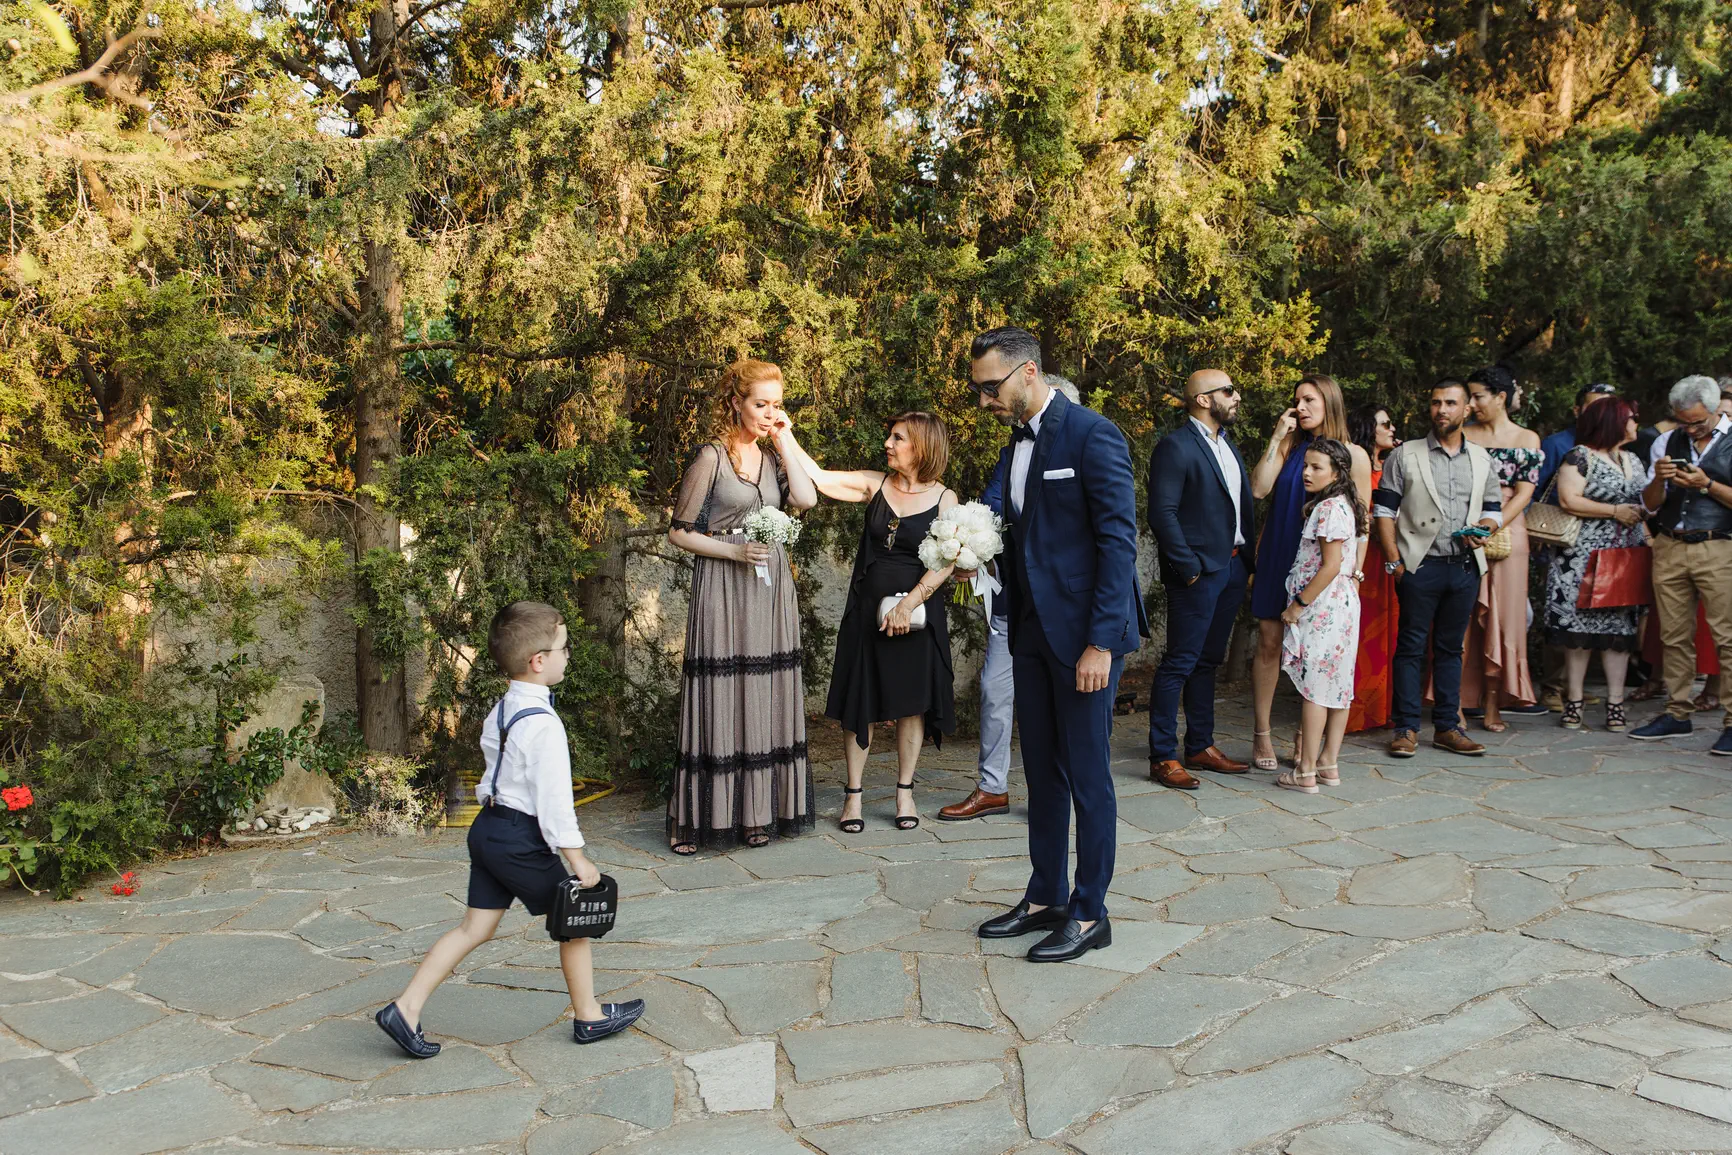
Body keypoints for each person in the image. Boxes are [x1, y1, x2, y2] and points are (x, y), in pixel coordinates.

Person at [376, 603, 645, 1057]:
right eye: (563, 648)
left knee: (474, 928)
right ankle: (590, 1017)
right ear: (538, 661)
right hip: (519, 839)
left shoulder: (503, 709)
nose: (568, 655)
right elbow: (554, 801)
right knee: (574, 921)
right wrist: (577, 858)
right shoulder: (543, 725)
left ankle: (405, 1009)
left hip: (489, 829)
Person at [967, 326, 1146, 963]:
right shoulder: (1016, 443)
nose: (984, 401)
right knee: (1042, 772)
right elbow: (1015, 529)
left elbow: (1118, 544)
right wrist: (975, 553)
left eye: (991, 387)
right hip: (1030, 631)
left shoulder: (1093, 434)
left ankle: (1091, 911)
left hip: (1084, 638)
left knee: (1089, 776)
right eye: (977, 390)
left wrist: (1101, 643)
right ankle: (1046, 895)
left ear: (1028, 372)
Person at [665, 360, 818, 854]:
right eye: (761, 404)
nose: (770, 412)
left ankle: (756, 813)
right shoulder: (711, 457)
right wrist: (732, 552)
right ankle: (699, 819)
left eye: (777, 404)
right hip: (723, 585)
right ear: (736, 402)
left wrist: (785, 439)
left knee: (763, 690)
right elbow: (679, 532)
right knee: (722, 691)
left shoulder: (772, 457)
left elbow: (807, 499)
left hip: (769, 588)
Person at [783, 413, 959, 831]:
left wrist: (907, 605)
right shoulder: (874, 484)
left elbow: (947, 561)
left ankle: (905, 794)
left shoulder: (945, 499)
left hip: (917, 615)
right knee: (860, 701)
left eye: (898, 438)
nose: (887, 444)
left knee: (912, 705)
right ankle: (853, 798)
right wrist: (783, 435)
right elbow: (818, 478)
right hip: (867, 612)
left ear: (922, 446)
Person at [940, 374, 1081, 823]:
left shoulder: (1086, 451)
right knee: (994, 691)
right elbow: (991, 509)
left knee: (1065, 703)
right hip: (1015, 604)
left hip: (1068, 610)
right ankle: (992, 788)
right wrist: (974, 550)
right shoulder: (1012, 453)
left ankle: (1062, 790)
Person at [1248, 375, 1371, 770]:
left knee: (1318, 652)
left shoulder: (1355, 454)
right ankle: (1262, 734)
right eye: (1296, 400)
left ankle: (1307, 736)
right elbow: (1259, 489)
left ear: (1329, 401)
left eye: (1308, 400)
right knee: (1269, 641)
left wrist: (1353, 574)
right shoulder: (1290, 445)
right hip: (1280, 550)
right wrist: (1276, 437)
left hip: (1323, 564)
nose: (1299, 407)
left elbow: (1362, 522)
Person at [1375, 380, 1503, 758]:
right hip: (1419, 566)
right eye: (1435, 403)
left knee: (1451, 649)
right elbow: (1383, 511)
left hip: (1464, 567)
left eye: (1450, 403)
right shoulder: (1405, 455)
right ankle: (1406, 728)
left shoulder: (1481, 458)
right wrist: (1395, 562)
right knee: (1410, 647)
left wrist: (1484, 529)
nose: (1441, 410)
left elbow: (1493, 510)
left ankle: (1447, 727)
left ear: (1466, 410)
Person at [1144, 369, 1255, 790]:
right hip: (1198, 573)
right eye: (1229, 390)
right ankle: (1163, 755)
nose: (1236, 396)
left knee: (1208, 661)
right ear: (1204, 399)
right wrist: (1189, 568)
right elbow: (1162, 513)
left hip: (1232, 567)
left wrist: (1245, 564)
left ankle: (1200, 745)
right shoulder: (1176, 446)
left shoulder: (1227, 445)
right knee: (1180, 662)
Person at [1631, 375, 1732, 754]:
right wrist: (1659, 480)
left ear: (1715, 410)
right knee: (1673, 635)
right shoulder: (1666, 441)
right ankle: (1677, 712)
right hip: (1670, 545)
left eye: (1698, 422)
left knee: (1727, 637)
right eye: (1683, 422)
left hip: (1719, 546)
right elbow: (1649, 504)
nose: (1690, 430)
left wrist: (1706, 485)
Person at [1543, 399, 1647, 731]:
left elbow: (1644, 501)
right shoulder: (1580, 456)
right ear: (1613, 421)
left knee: (1619, 630)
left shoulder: (1633, 459)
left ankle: (1615, 704)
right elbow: (1568, 499)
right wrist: (1615, 512)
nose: (1636, 423)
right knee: (1579, 631)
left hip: (1624, 555)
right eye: (1631, 418)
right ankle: (1573, 701)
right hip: (1582, 556)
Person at [1277, 439, 1364, 792]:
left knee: (1316, 689)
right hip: (1343, 604)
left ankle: (1306, 771)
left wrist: (1298, 604)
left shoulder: (1328, 508)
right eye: (1306, 465)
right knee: (1338, 685)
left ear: (1337, 472)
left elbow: (1330, 566)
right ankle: (1329, 763)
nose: (1306, 473)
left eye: (1316, 467)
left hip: (1323, 605)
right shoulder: (1346, 504)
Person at [1460, 366, 1544, 730]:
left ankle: (1494, 702)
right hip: (1465, 527)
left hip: (1509, 531)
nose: (1472, 403)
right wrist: (1474, 527)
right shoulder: (1463, 434)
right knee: (1461, 618)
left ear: (1501, 397)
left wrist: (1492, 525)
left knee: (1505, 619)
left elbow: (1524, 494)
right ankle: (1457, 702)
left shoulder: (1527, 438)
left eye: (1478, 396)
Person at [1541, 383, 1621, 711]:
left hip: (1604, 545)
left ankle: (1574, 685)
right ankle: (1551, 686)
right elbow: (1537, 489)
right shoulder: (1558, 443)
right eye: (1593, 406)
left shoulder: (1616, 448)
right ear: (1577, 410)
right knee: (1560, 615)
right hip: (1562, 540)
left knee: (1591, 617)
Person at [1346, 404, 1399, 732]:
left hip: (1389, 558)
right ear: (1369, 428)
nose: (1392, 429)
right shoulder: (1356, 465)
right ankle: (1356, 712)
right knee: (1362, 632)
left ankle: (1384, 709)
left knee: (1389, 633)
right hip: (1364, 558)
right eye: (1386, 424)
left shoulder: (1394, 467)